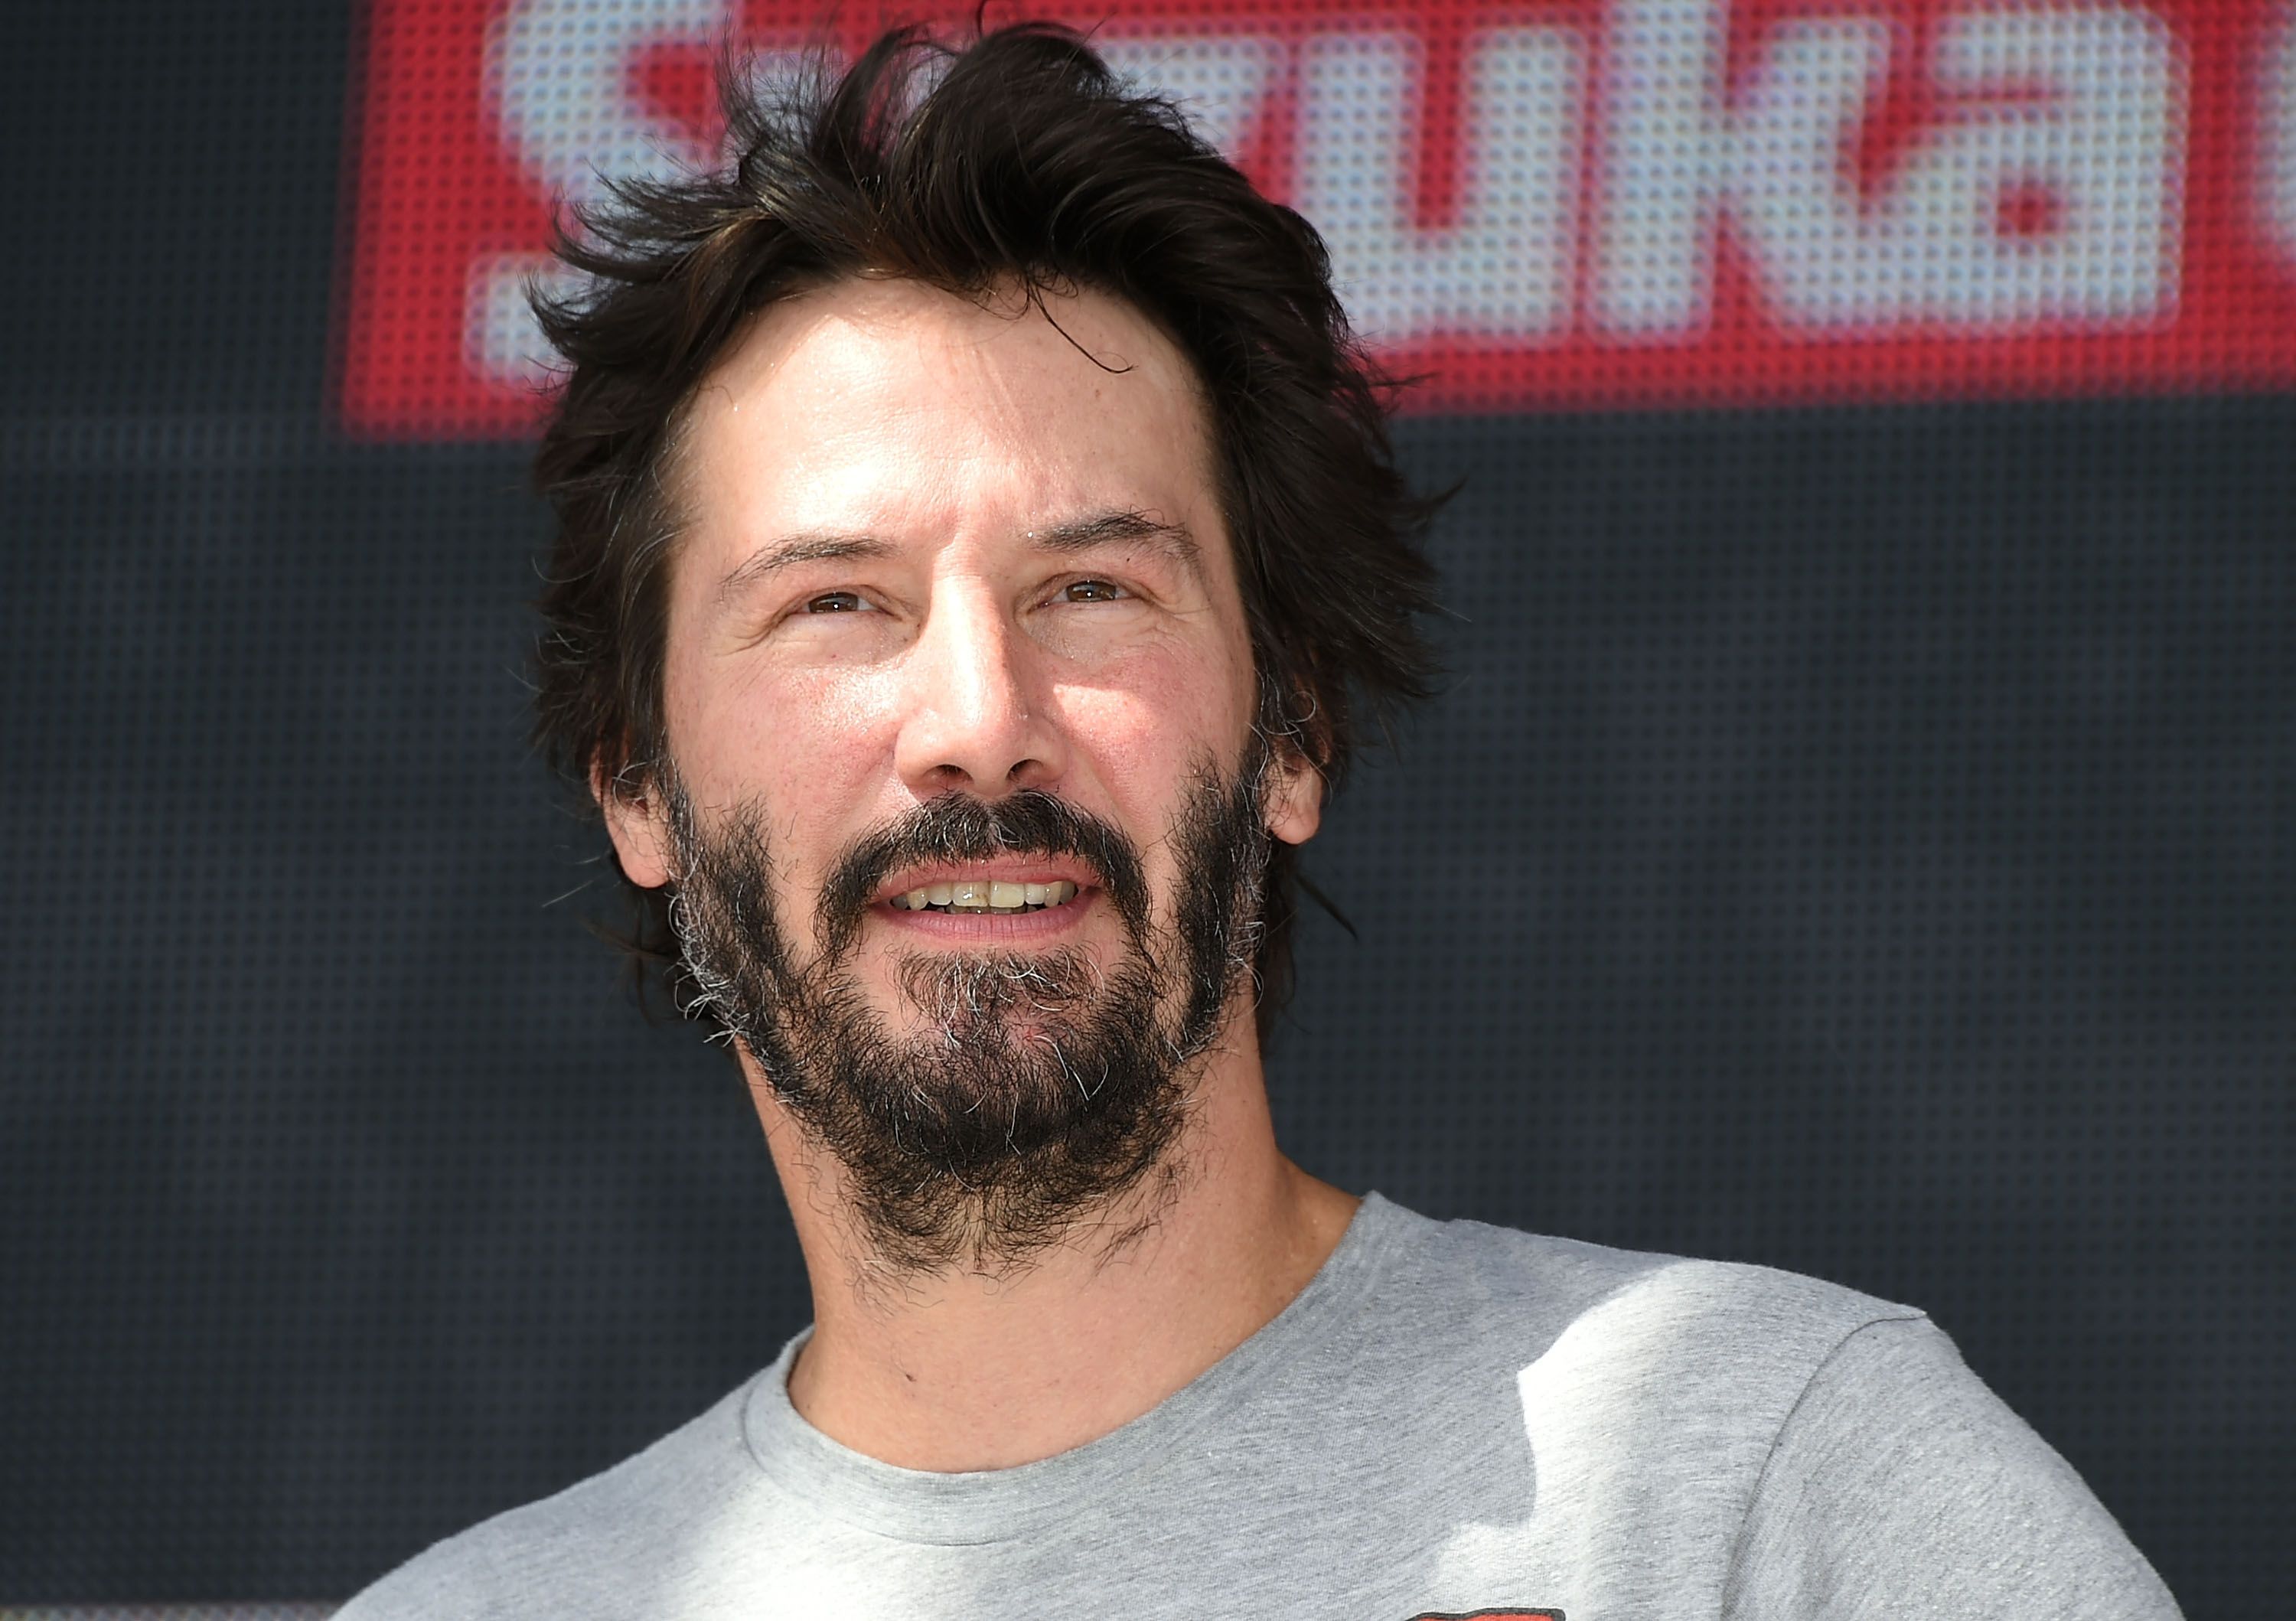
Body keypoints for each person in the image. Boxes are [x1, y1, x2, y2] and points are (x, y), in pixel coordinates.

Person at [340, 21, 2178, 1617]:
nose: (981, 725)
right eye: (839, 604)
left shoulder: (1768, 1489)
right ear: (643, 789)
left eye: (1094, 591)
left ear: (1288, 731)